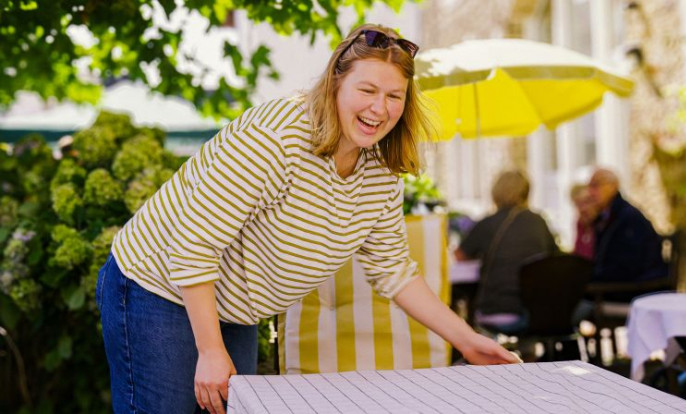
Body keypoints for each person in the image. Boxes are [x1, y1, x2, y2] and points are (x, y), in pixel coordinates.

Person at [96, 24, 519, 414]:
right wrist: (210, 350)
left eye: (394, 96)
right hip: (156, 288)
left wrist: (469, 341)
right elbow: (193, 244)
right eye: (367, 90)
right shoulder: (276, 136)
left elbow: (393, 270)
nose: (379, 108)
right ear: (335, 83)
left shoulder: (380, 169)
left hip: (233, 309)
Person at [454, 170, 558, 335]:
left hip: (495, 309)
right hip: (535, 312)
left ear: (495, 192)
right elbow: (554, 258)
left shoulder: (487, 223)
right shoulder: (539, 222)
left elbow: (459, 256)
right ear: (526, 192)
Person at [587, 168, 667, 292]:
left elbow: (628, 265)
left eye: (596, 185)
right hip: (622, 283)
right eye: (589, 186)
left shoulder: (627, 217)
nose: (590, 192)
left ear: (613, 186)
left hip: (637, 286)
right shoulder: (607, 216)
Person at [570, 183, 598, 260]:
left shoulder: (603, 225)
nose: (583, 208)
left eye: (586, 202)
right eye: (578, 204)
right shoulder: (580, 224)